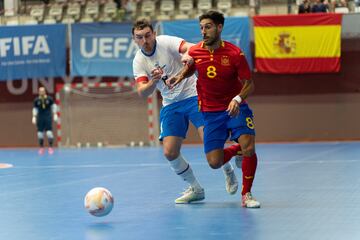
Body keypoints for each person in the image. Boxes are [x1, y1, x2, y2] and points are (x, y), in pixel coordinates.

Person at [131, 19, 239, 204]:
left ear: (154, 34)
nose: (145, 40)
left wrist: (188, 55)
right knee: (169, 152)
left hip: (193, 95)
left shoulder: (166, 42)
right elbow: (142, 92)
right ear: (134, 39)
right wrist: (154, 81)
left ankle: (228, 170)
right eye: (140, 37)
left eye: (148, 35)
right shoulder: (139, 61)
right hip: (171, 104)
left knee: (209, 139)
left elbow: (192, 47)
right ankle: (196, 189)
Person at [167, 11, 260, 208]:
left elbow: (249, 84)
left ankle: (246, 194)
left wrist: (237, 98)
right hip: (210, 112)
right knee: (214, 162)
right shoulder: (195, 52)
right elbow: (192, 68)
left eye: (208, 27)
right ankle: (238, 150)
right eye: (201, 28)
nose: (204, 32)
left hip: (235, 108)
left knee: (249, 147)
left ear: (219, 27)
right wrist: (180, 76)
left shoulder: (235, 53)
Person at [32, 87, 58, 155]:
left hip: (48, 117)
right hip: (40, 118)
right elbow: (35, 108)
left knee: (49, 133)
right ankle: (41, 148)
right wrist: (34, 116)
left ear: (45, 91)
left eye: (43, 91)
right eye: (40, 91)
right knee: (40, 134)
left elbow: (54, 106)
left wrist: (55, 114)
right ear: (38, 92)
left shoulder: (49, 99)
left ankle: (50, 147)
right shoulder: (36, 100)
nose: (41, 92)